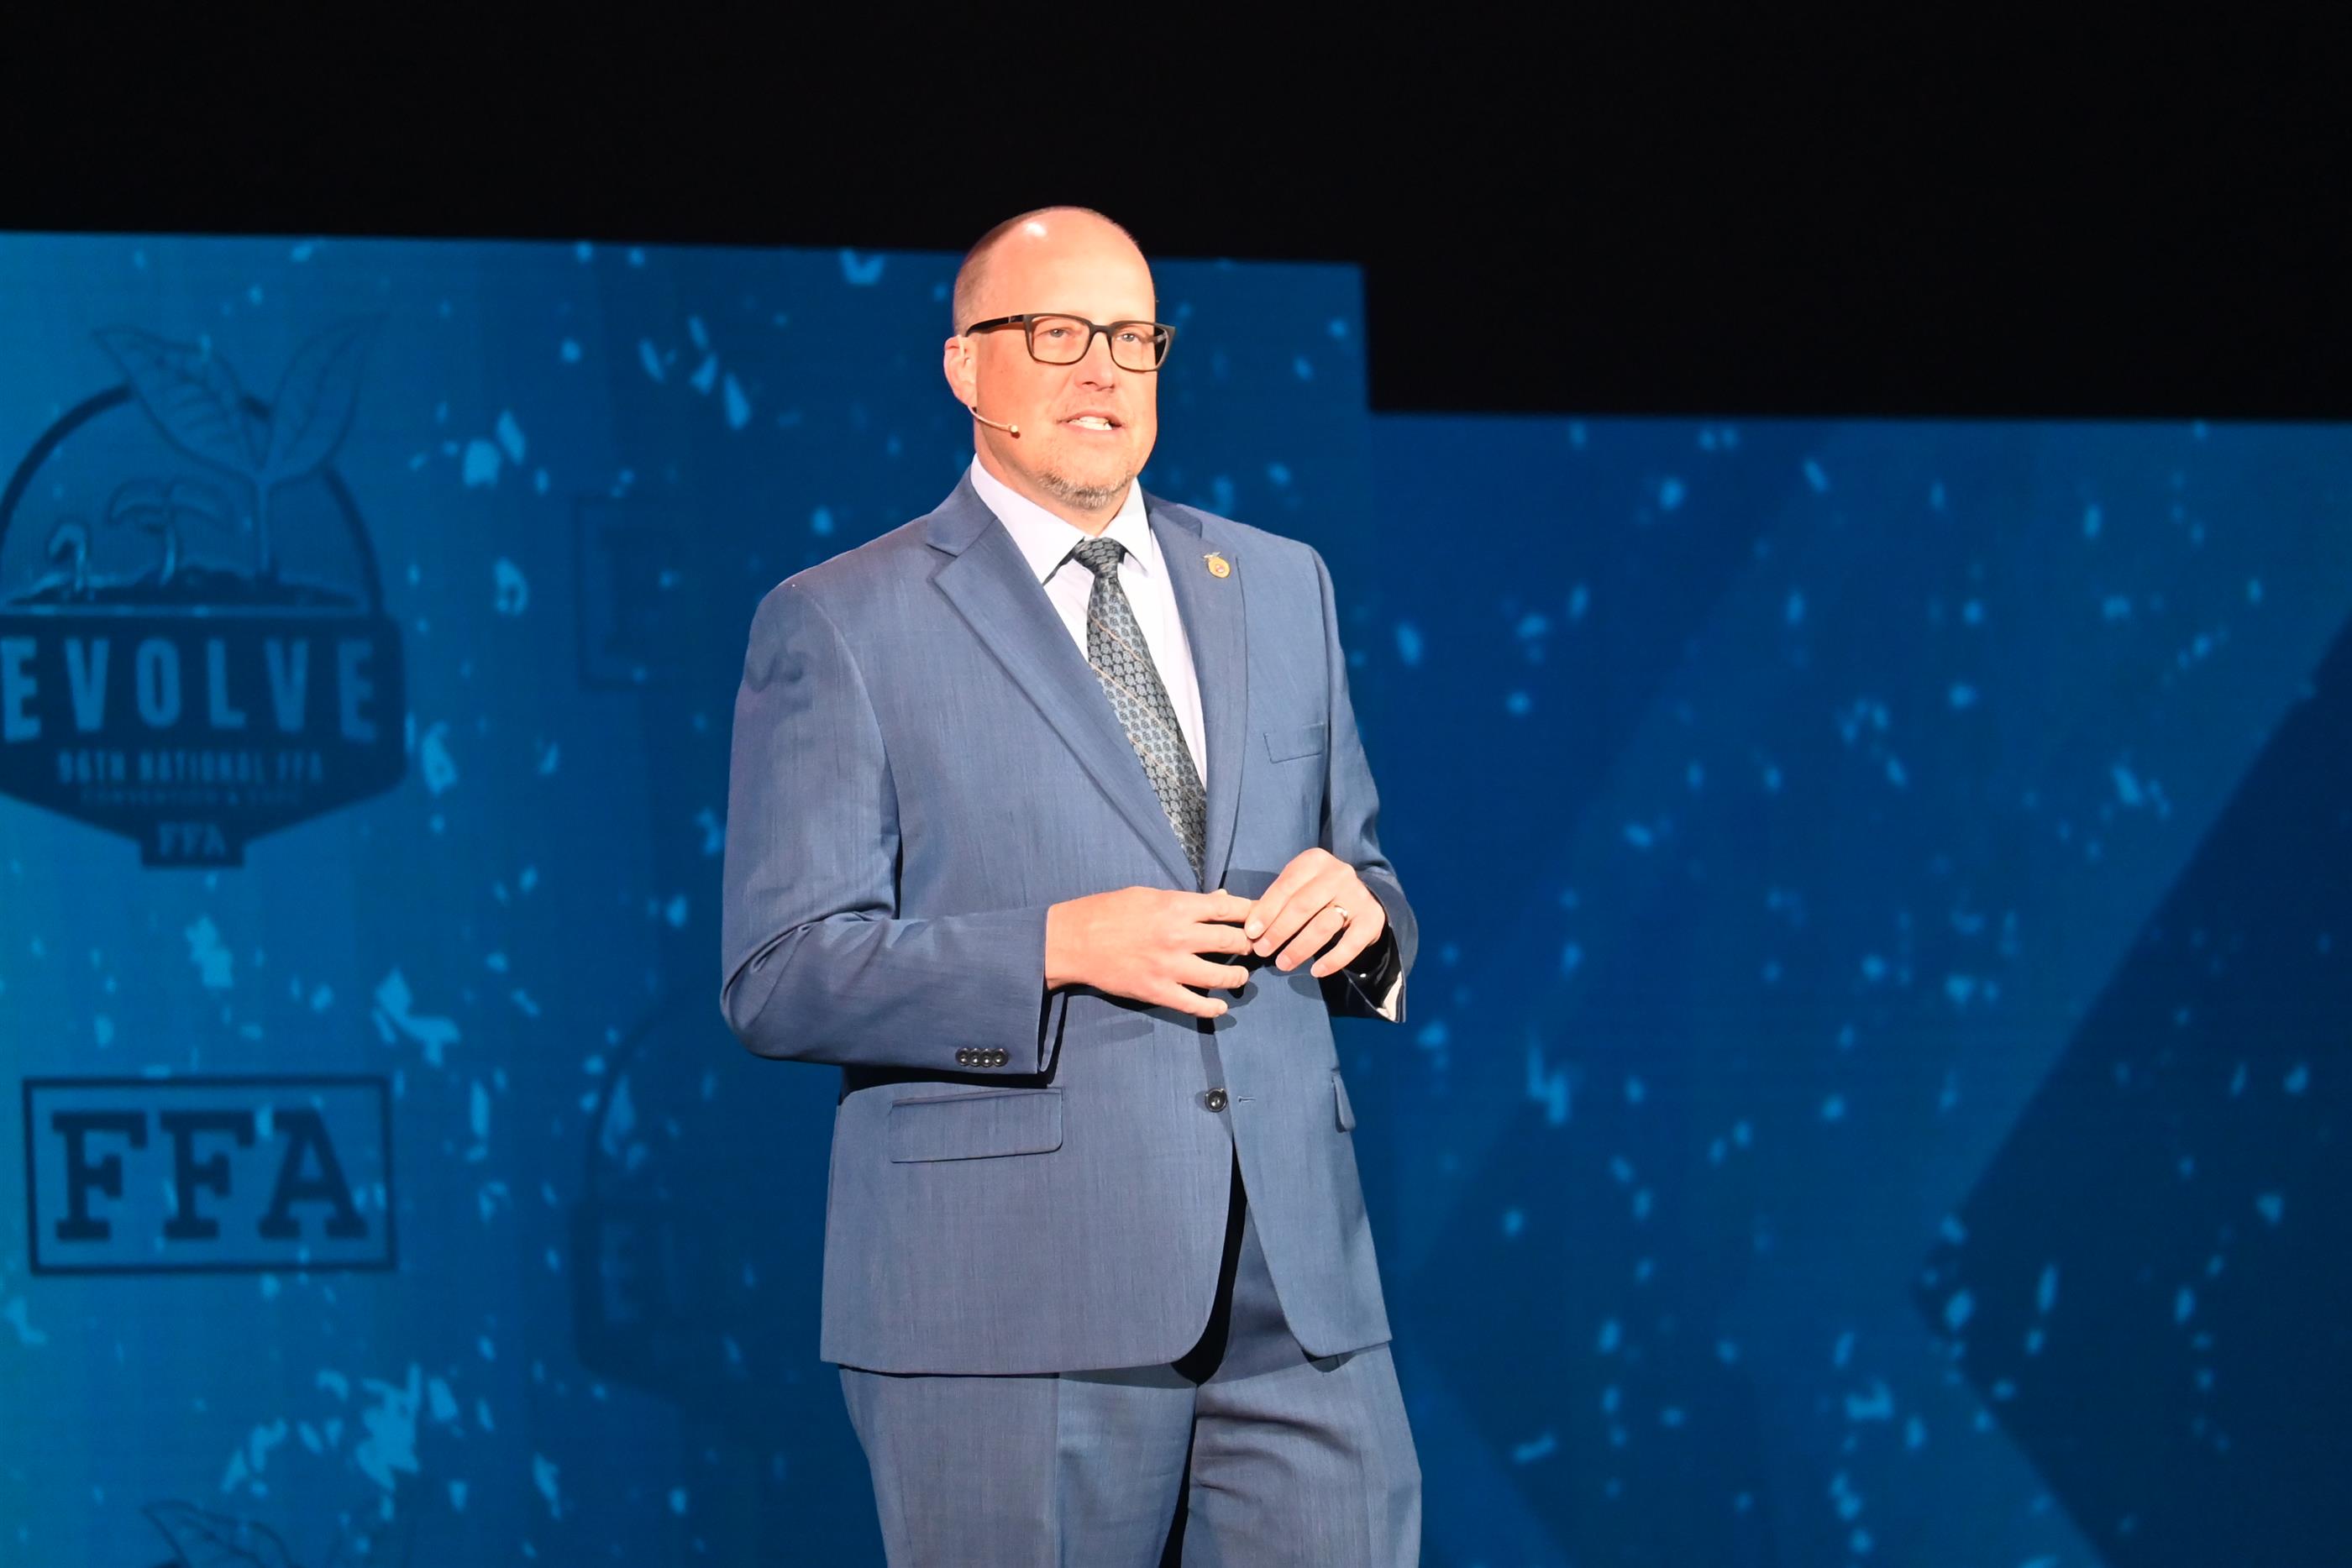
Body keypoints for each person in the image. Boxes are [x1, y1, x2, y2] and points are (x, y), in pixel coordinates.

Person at [720, 206, 1421, 1565]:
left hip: (1302, 1297)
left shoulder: (1283, 584)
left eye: (1132, 337)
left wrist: (1365, 926)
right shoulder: (844, 618)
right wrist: (1053, 946)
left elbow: (1369, 869)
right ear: (964, 365)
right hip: (1012, 1298)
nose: (1102, 368)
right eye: (1055, 333)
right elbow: (780, 971)